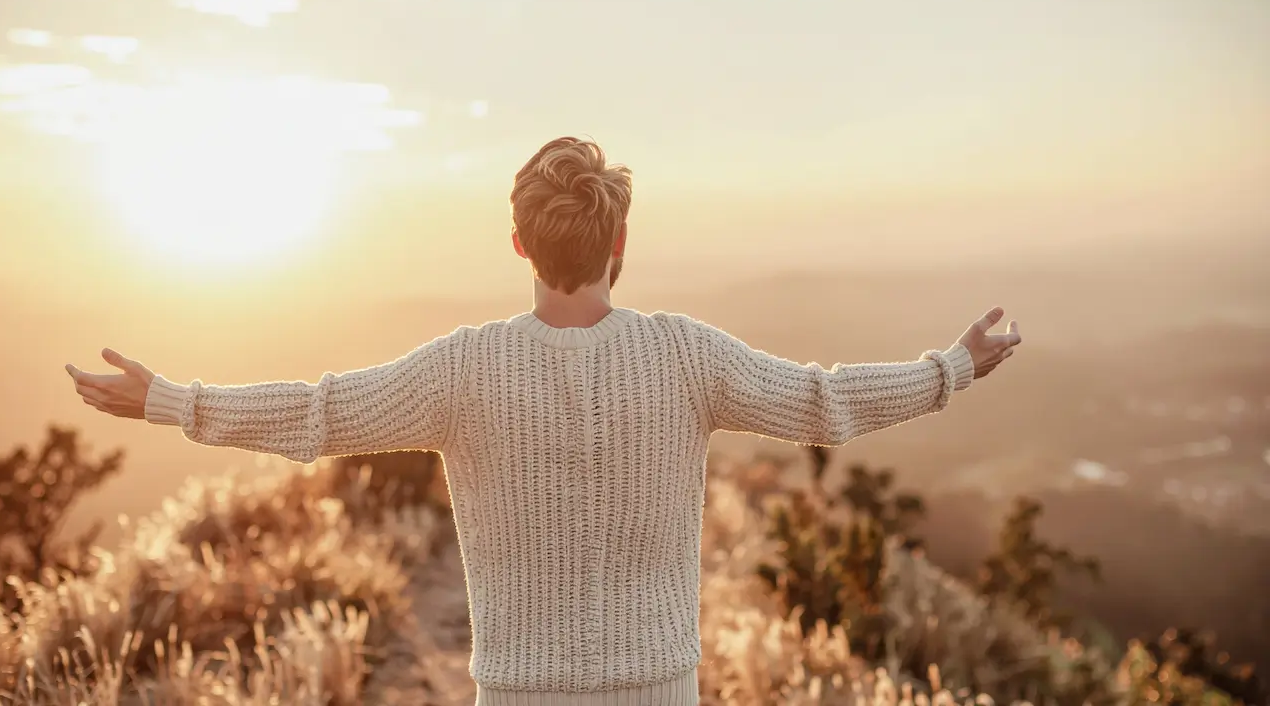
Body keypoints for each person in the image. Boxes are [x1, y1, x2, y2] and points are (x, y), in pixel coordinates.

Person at [66, 136, 1021, 706]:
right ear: (620, 242)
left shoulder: (465, 368)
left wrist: (171, 400)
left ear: (519, 242)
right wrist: (953, 368)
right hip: (657, 691)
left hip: (518, 693)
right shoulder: (686, 356)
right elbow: (826, 405)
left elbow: (319, 417)